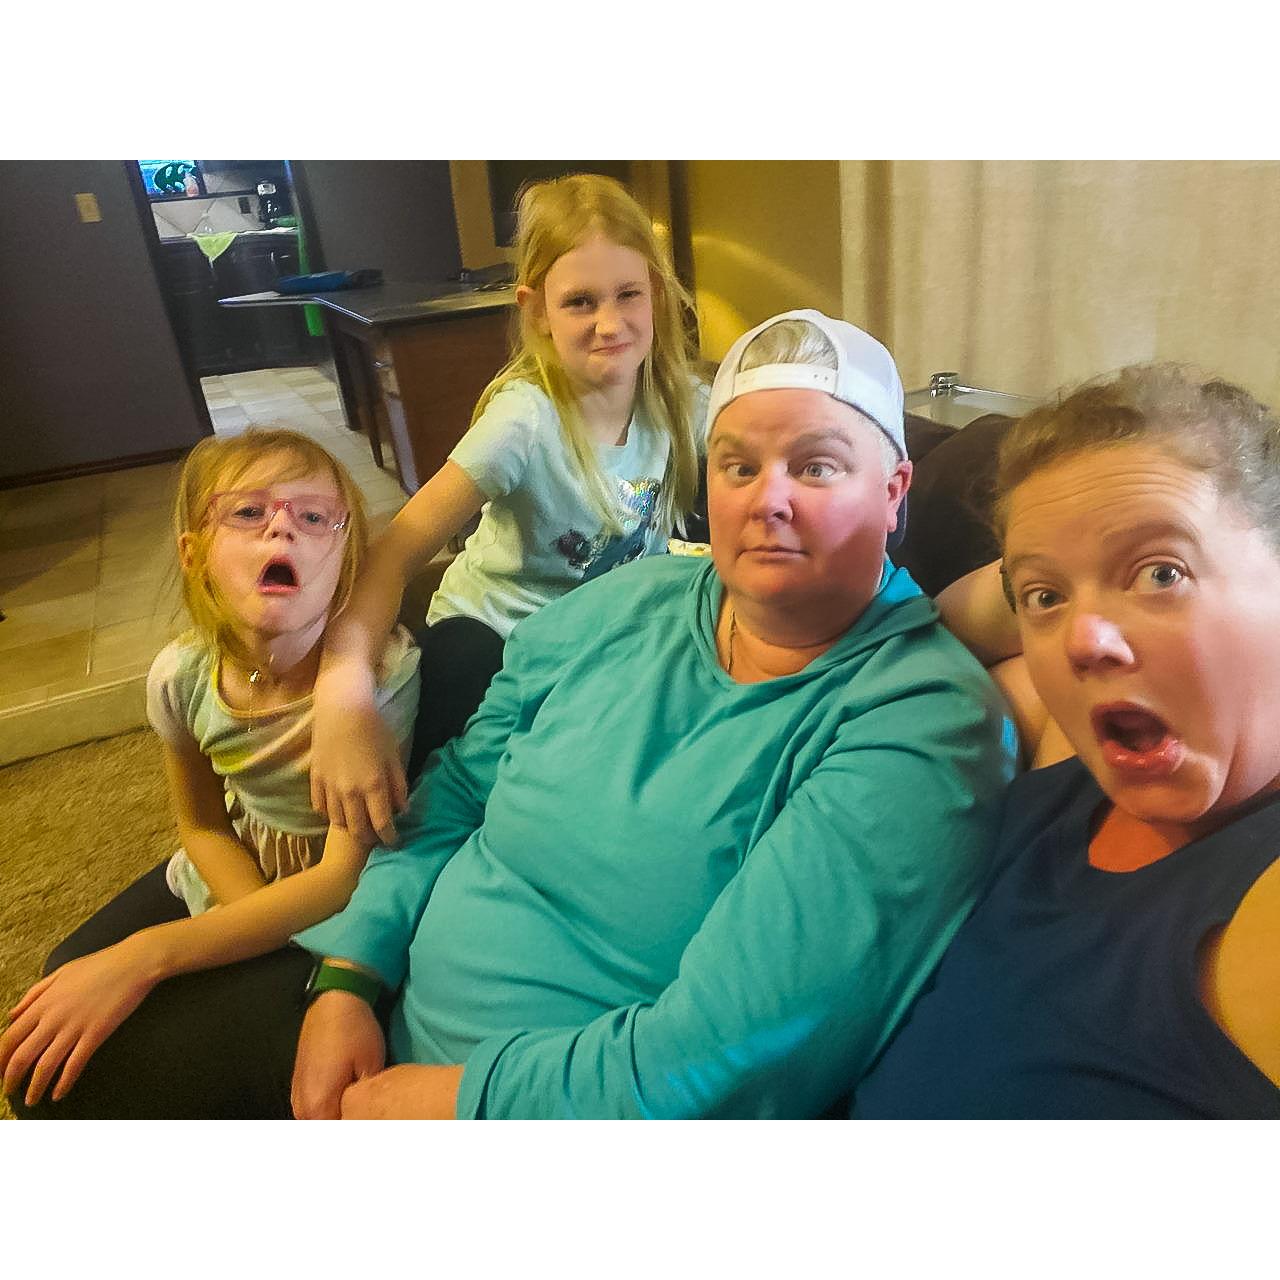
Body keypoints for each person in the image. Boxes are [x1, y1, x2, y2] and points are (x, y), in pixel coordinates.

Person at [10, 309, 1015, 1120]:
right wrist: (350, 976)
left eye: (817, 466)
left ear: (894, 491)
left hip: (545, 1105)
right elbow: (452, 792)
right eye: (738, 465)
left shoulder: (915, 718)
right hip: (373, 1007)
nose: (767, 500)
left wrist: (460, 1103)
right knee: (61, 1081)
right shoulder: (626, 602)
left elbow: (727, 1054)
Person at [852, 365, 1280, 1118]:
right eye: (1045, 598)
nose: (1084, 642)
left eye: (1161, 573)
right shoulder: (1063, 751)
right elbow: (931, 624)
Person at [2, 429, 420, 1114]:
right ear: (194, 554)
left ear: (345, 556)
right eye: (249, 512)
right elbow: (200, 824)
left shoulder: (383, 680)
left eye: (314, 516)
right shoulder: (182, 675)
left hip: (340, 900)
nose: (282, 527)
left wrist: (150, 955)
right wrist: (242, 920)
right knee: (59, 996)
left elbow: (341, 878)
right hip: (238, 874)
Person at [310, 173, 707, 850]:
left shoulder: (682, 403)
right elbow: (396, 551)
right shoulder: (523, 420)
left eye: (628, 294)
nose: (610, 323)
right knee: (460, 780)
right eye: (579, 301)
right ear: (537, 309)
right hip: (493, 639)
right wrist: (342, 691)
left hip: (600, 637)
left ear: (658, 294)